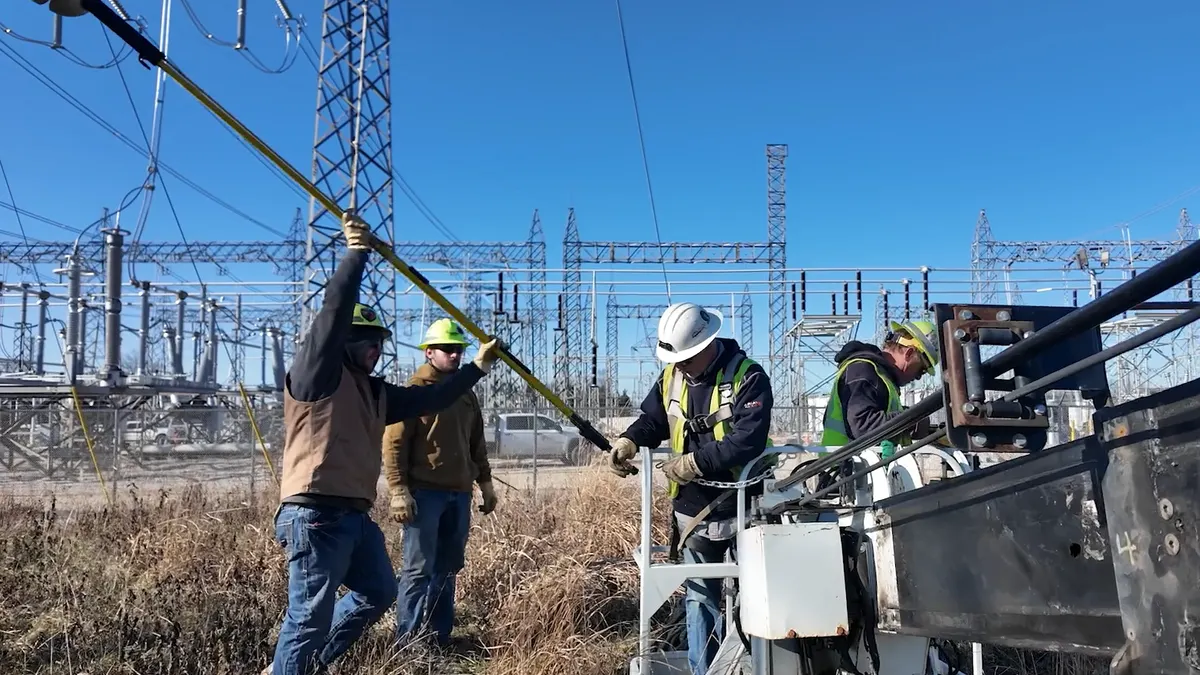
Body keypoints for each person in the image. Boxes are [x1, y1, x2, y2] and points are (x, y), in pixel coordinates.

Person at [263, 212, 503, 675]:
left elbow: (433, 398)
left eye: (380, 342)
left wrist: (477, 367)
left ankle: (309, 665)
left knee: (378, 591)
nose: (376, 348)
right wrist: (356, 256)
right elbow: (332, 315)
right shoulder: (318, 376)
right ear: (344, 342)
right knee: (308, 617)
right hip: (315, 513)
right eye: (367, 341)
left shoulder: (375, 393)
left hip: (353, 515)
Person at [607, 302, 773, 675]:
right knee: (700, 599)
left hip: (744, 506)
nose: (680, 365)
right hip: (693, 510)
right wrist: (630, 440)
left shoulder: (748, 377)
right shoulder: (672, 376)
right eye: (675, 359)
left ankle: (752, 667)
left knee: (755, 597)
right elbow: (653, 420)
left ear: (707, 345)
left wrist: (694, 463)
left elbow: (748, 439)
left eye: (686, 358)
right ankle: (706, 670)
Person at [382, 317, 498, 649]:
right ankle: (408, 641)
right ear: (429, 352)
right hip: (425, 494)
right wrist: (398, 490)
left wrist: (486, 482)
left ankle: (438, 636)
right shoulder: (415, 393)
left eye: (458, 349)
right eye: (447, 349)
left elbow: (476, 443)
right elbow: (394, 444)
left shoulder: (465, 395)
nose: (455, 355)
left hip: (458, 494)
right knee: (418, 569)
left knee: (447, 568)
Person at [820, 319, 940, 447]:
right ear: (909, 354)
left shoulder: (880, 378)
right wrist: (913, 420)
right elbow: (863, 426)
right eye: (921, 369)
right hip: (844, 459)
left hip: (860, 459)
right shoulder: (862, 370)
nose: (919, 377)